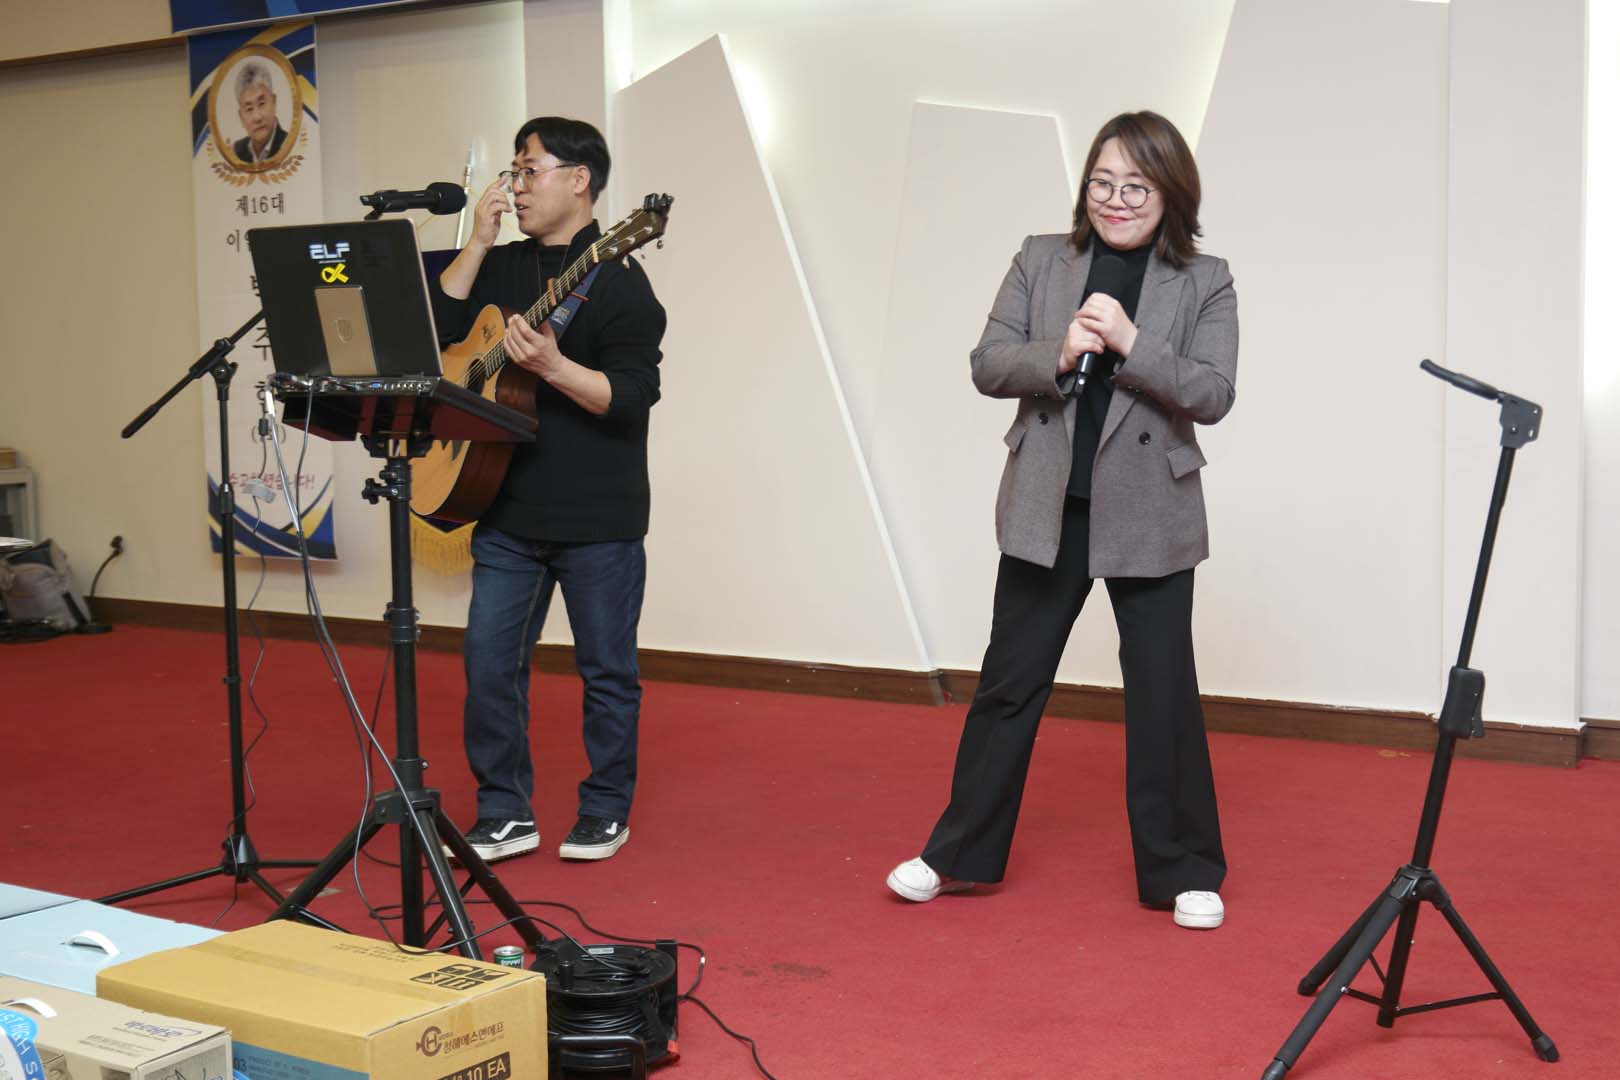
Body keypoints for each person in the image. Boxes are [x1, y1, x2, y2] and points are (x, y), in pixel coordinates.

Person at [886, 111, 1238, 930]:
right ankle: (956, 853)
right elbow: (987, 363)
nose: (1116, 200)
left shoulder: (1206, 279)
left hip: (1149, 509)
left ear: (1170, 193)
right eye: (1102, 182)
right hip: (1050, 506)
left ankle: (1185, 870)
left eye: (1137, 187)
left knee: (1162, 693)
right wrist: (1059, 350)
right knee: (1008, 685)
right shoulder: (1042, 258)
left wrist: (1133, 342)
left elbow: (1214, 393)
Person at [430, 117, 666, 863]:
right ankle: (505, 810)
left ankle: (605, 808)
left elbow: (631, 397)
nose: (517, 187)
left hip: (597, 517)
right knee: (489, 666)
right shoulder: (502, 266)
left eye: (530, 171)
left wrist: (554, 367)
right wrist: (477, 239)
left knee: (607, 673)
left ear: (579, 180)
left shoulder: (619, 279)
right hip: (504, 508)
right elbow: (440, 328)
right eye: (514, 172)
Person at [230, 61, 287, 164]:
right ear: (241, 117)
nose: (257, 117)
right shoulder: (236, 152)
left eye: (261, 103)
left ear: (274, 102)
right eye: (249, 109)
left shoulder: (290, 145)